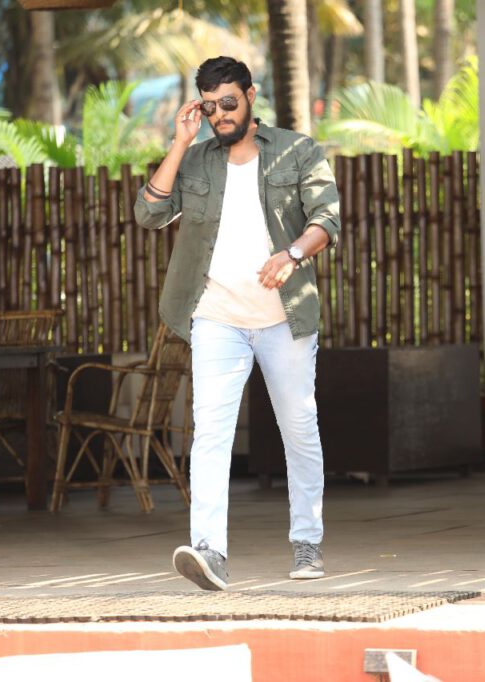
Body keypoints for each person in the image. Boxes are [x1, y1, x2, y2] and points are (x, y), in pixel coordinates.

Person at [134, 56, 340, 591]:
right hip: (216, 315)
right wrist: (179, 143)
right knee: (211, 432)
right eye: (209, 106)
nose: (220, 114)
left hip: (283, 316)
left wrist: (292, 254)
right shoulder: (196, 161)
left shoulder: (297, 151)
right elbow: (149, 213)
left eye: (228, 102)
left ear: (250, 95)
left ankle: (307, 542)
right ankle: (210, 551)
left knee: (299, 428)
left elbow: (327, 219)